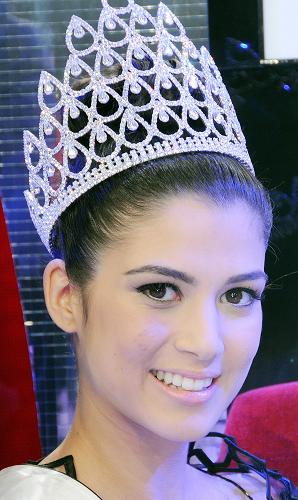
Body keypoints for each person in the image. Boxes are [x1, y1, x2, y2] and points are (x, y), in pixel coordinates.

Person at [0, 1, 297, 498]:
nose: (207, 343)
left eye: (238, 295)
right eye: (160, 289)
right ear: (66, 296)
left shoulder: (256, 490)